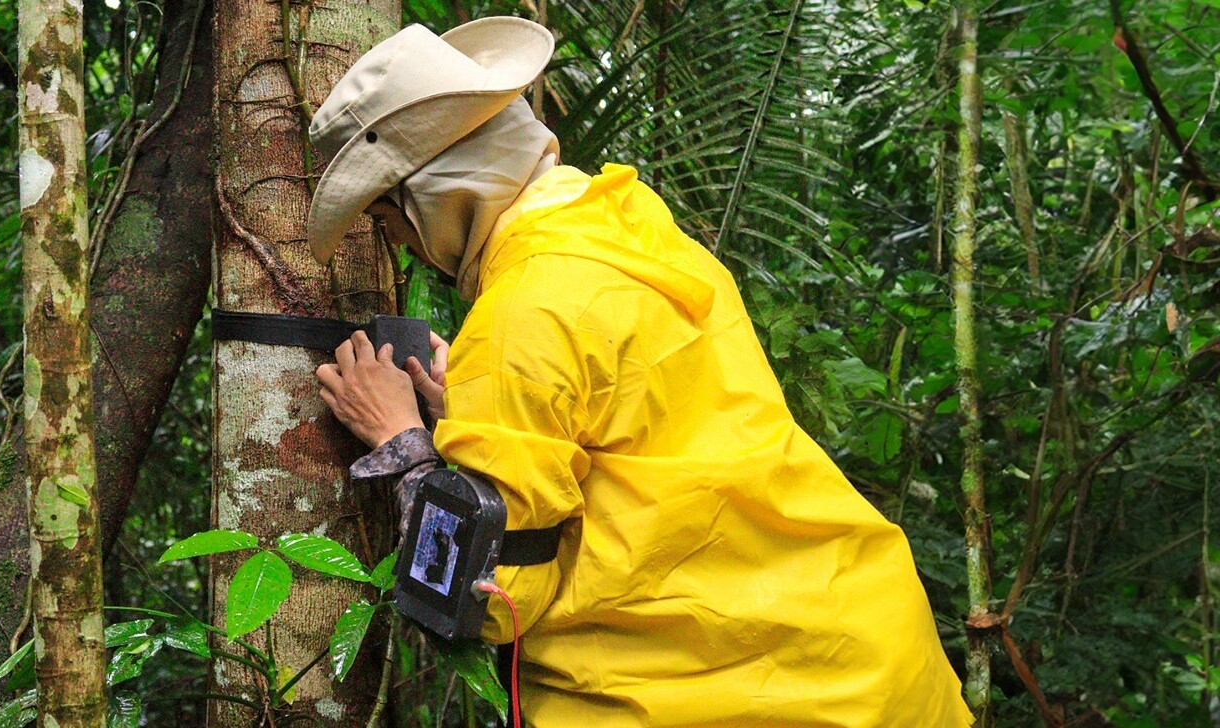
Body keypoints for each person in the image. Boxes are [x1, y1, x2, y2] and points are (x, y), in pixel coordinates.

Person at [309, 16, 974, 727]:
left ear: (438, 194)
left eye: (393, 223)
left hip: (737, 696)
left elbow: (488, 598)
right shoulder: (632, 226)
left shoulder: (521, 315)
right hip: (866, 652)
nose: (406, 251)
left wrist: (400, 435)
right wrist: (472, 417)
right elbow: (631, 437)